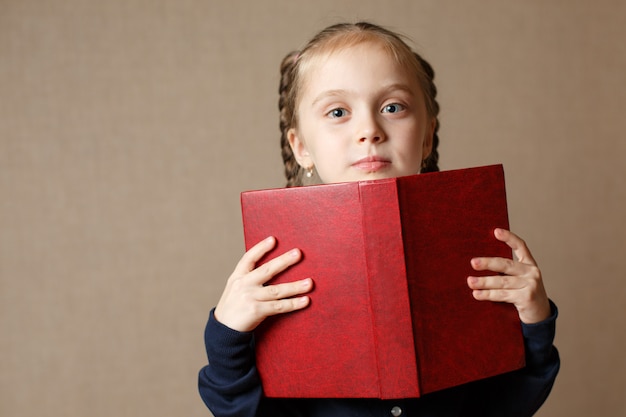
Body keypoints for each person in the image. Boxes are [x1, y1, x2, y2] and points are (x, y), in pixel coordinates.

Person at [198, 21, 559, 417]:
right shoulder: (276, 268)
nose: (369, 130)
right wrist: (229, 333)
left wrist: (534, 322)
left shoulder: (477, 247)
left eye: (392, 107)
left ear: (426, 137)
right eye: (338, 111)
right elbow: (240, 410)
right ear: (301, 147)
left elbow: (509, 404)